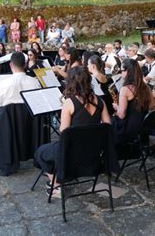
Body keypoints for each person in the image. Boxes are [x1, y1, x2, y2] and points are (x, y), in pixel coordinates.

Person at [34, 66, 111, 196]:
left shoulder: (69, 103)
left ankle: (56, 185)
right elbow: (107, 126)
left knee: (40, 152)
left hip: (70, 153)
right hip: (93, 154)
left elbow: (64, 132)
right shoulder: (100, 101)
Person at [112, 59, 153, 145]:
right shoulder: (146, 87)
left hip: (130, 129)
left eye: (122, 70)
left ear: (128, 72)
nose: (120, 72)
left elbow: (121, 115)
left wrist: (116, 106)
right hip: (142, 127)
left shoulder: (125, 89)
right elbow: (152, 106)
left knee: (108, 122)